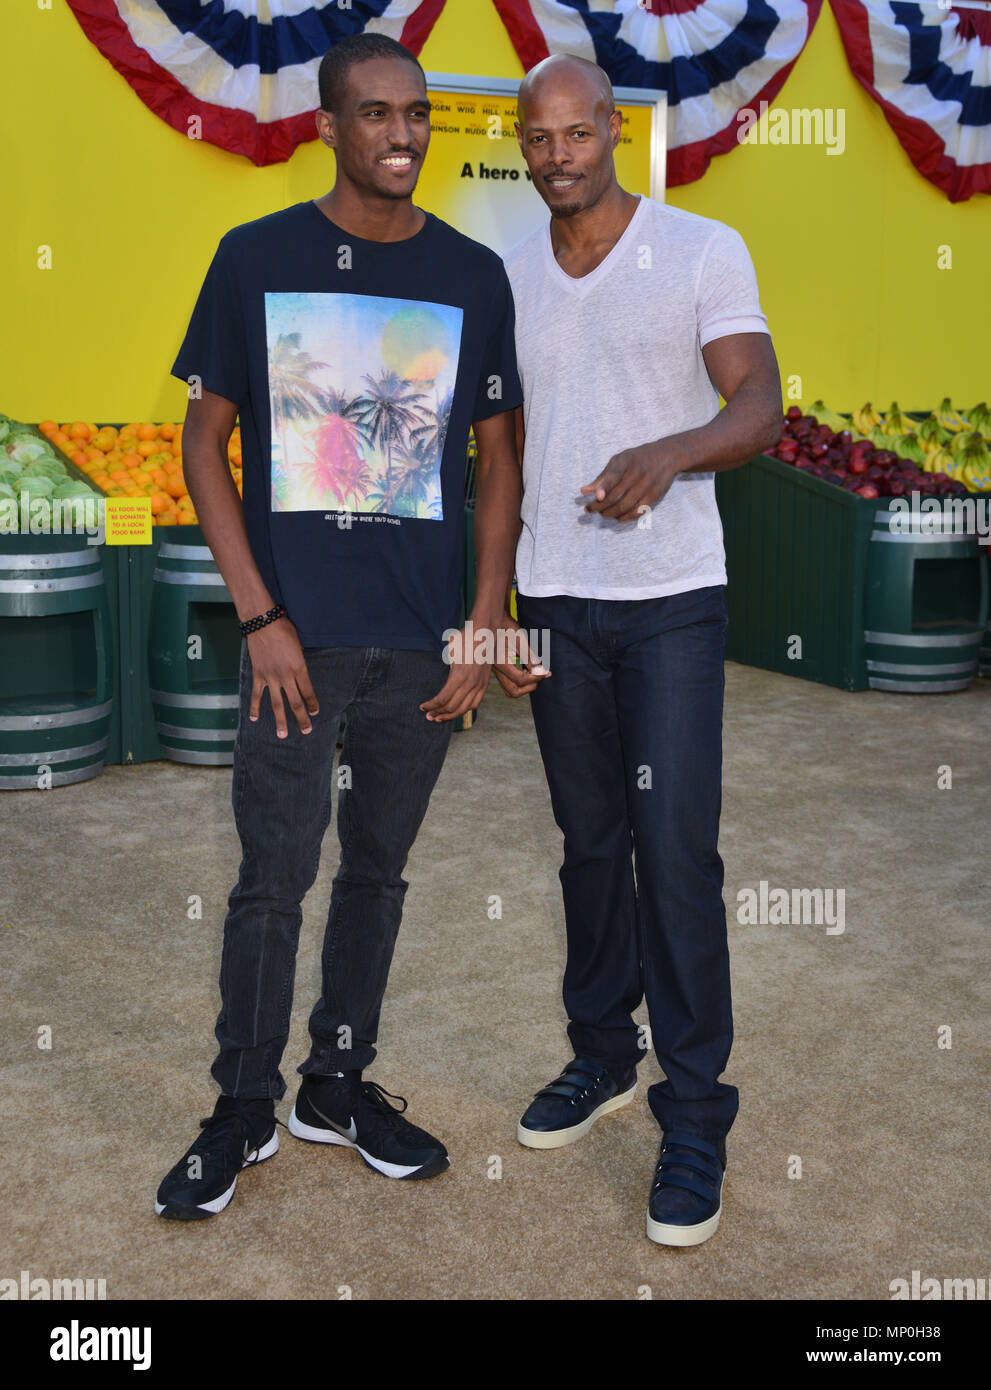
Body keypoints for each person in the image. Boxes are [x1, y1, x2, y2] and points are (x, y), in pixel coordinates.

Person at [155, 33, 523, 1220]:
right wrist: (258, 613)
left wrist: (481, 619)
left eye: (416, 114)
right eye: (374, 115)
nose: (402, 135)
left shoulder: (473, 274)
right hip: (294, 644)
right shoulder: (254, 257)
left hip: (422, 642)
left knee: (378, 874)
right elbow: (201, 444)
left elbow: (499, 458)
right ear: (329, 127)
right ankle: (243, 1104)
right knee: (273, 876)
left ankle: (336, 1081)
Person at [495, 54, 781, 1247]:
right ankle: (602, 1054)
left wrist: (671, 452)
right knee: (587, 845)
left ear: (613, 130)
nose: (558, 155)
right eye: (538, 138)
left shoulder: (702, 249)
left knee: (671, 853)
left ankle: (697, 1110)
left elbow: (759, 405)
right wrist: (496, 606)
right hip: (557, 601)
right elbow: (497, 456)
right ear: (522, 145)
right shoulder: (505, 272)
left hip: (669, 601)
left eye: (577, 133)